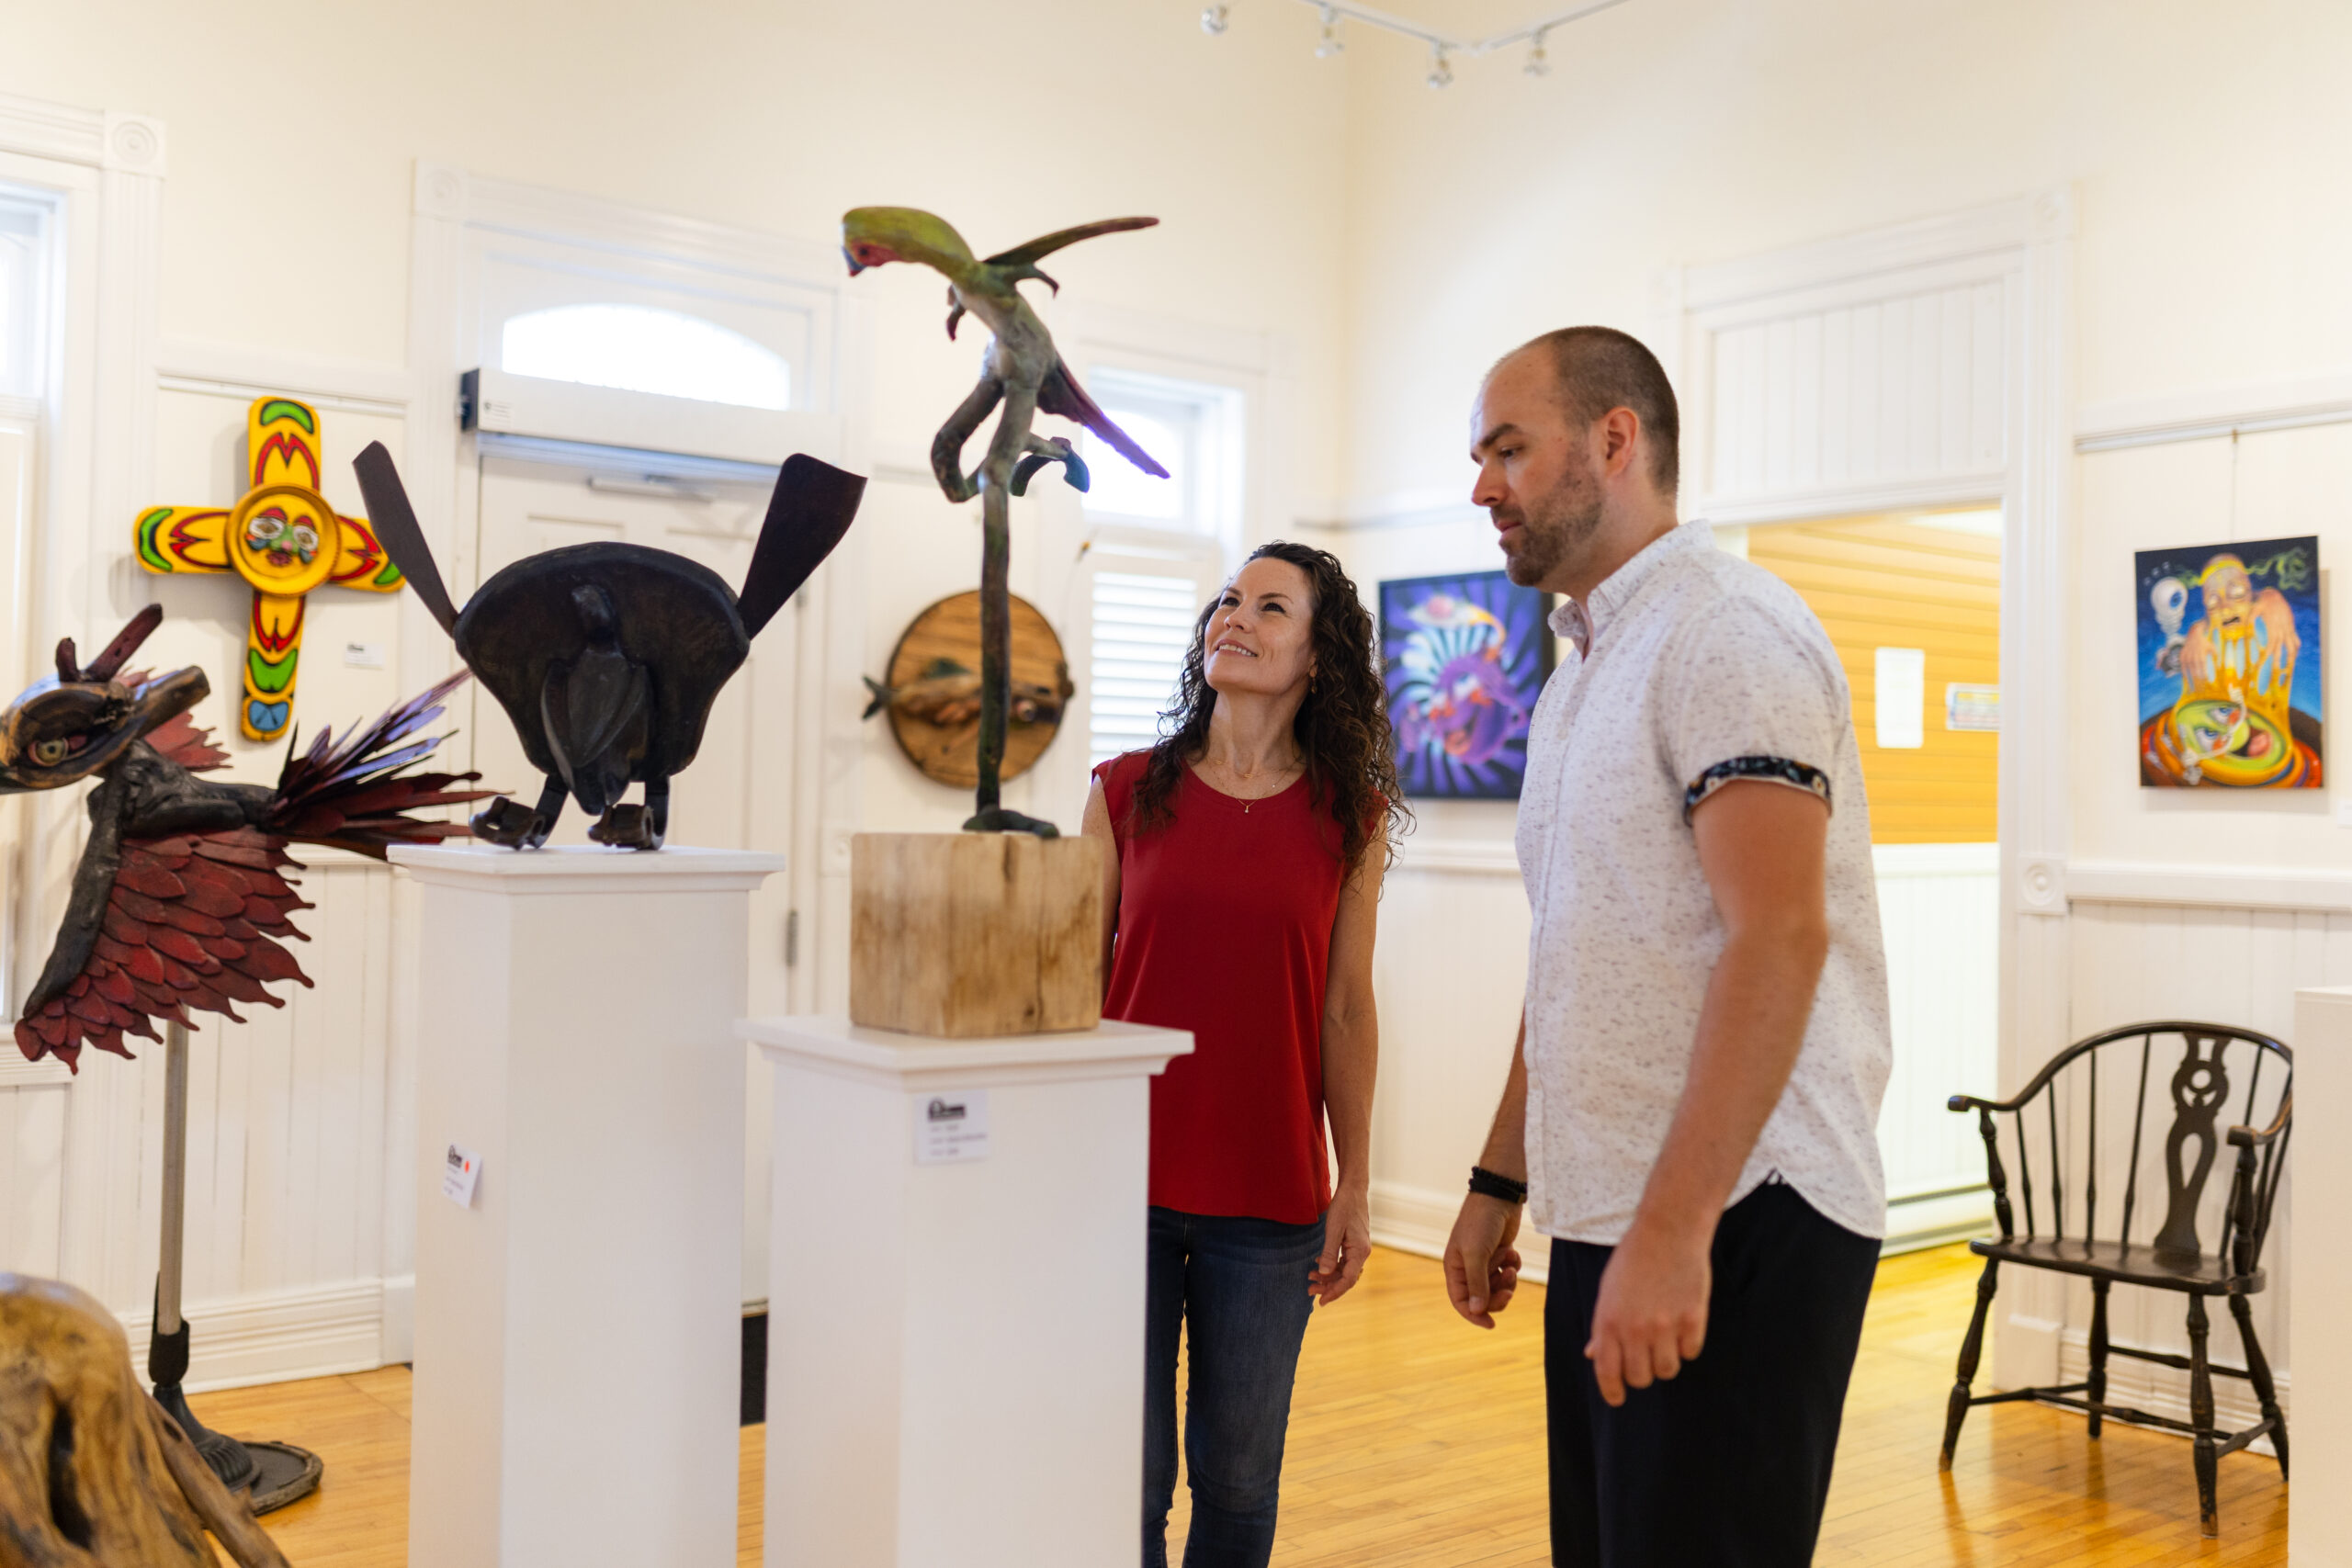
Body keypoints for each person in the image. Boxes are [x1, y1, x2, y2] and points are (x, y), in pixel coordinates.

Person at [1441, 327, 1893, 1567]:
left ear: (1615, 440)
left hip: (1745, 1207)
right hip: (1617, 1205)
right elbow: (1577, 950)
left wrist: (1674, 1227)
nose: (1484, 485)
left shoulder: (1727, 630)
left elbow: (1780, 932)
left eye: (1509, 449)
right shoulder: (1584, 666)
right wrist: (1500, 1179)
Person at [1081, 540, 1403, 1568]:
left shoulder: (1347, 820)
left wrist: (1355, 1183)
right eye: (1227, 600)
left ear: (1318, 656)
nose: (1236, 617)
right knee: (1121, 1481)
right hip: (1120, 1180)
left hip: (1269, 1197)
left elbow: (1345, 1009)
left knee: (1236, 1481)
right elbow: (1069, 994)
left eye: (1270, 607)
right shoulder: (1125, 791)